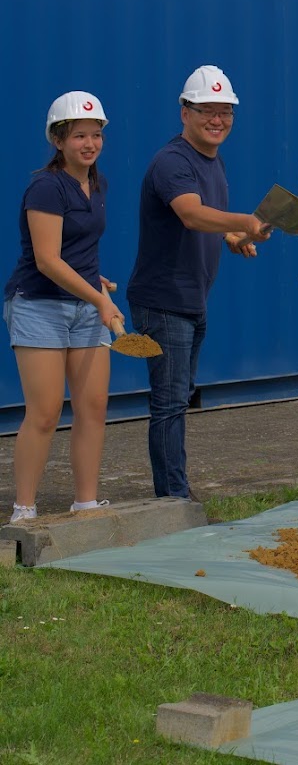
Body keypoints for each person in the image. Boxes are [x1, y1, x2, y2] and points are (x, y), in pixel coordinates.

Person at [127, 66, 268, 501]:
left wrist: (229, 237)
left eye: (225, 112)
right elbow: (190, 212)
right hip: (164, 301)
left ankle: (174, 496)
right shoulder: (173, 161)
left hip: (192, 299)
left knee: (179, 397)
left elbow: (199, 217)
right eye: (207, 110)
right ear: (184, 111)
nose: (217, 119)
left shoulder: (212, 159)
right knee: (169, 403)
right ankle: (174, 502)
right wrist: (244, 220)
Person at [5, 92, 123, 522]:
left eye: (96, 135)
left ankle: (86, 503)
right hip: (39, 306)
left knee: (93, 407)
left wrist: (98, 284)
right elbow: (48, 260)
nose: (89, 144)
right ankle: (24, 510)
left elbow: (80, 252)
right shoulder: (45, 187)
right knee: (45, 411)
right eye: (79, 136)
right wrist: (101, 300)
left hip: (86, 306)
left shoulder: (98, 183)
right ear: (58, 140)